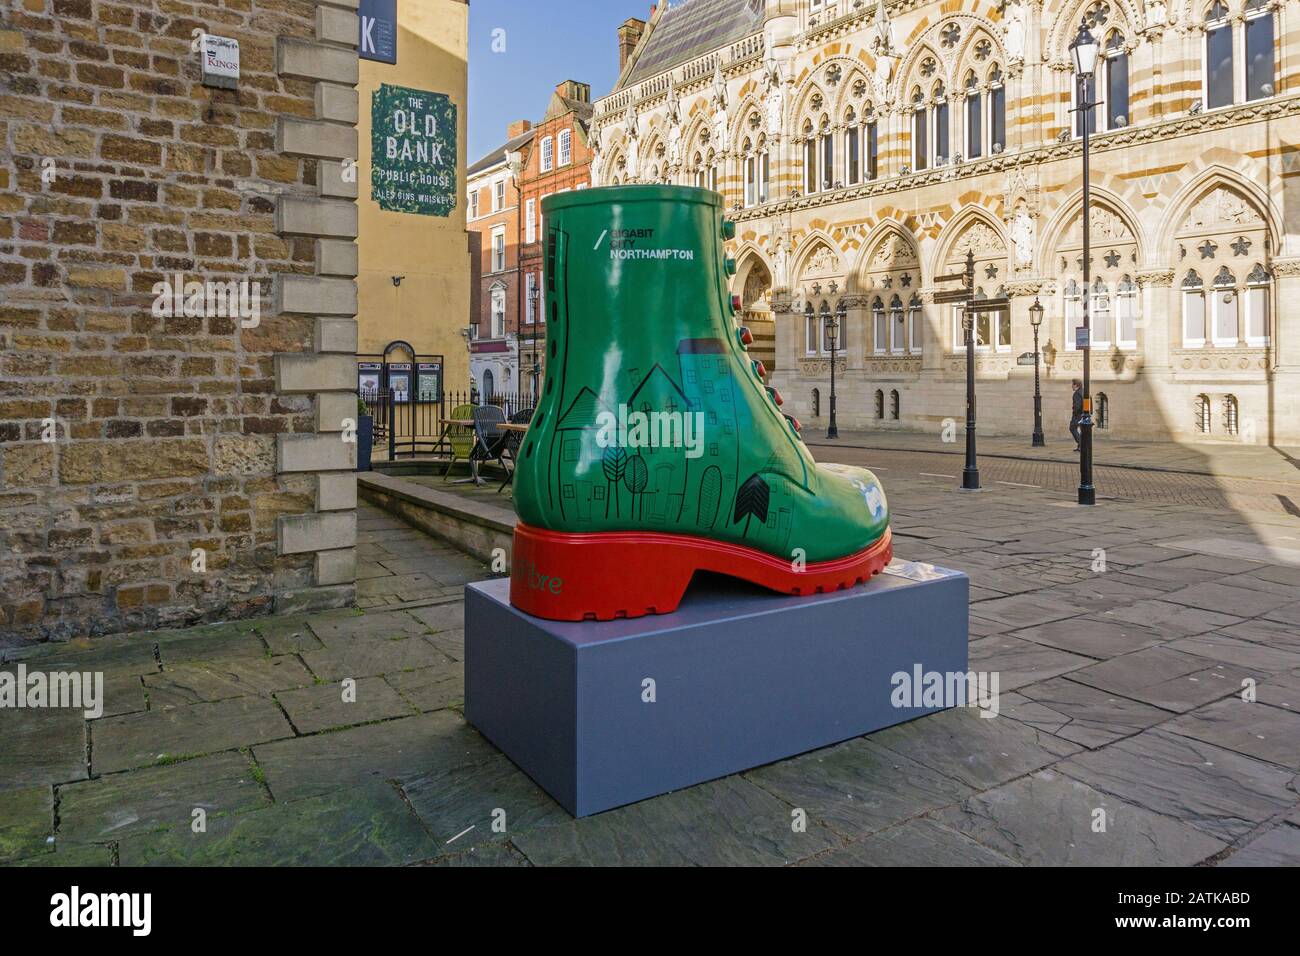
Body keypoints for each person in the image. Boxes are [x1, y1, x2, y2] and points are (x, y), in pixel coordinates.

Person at [1069, 379, 1084, 452]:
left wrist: (1075, 413)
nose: (1071, 386)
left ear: (1076, 385)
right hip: (1084, 414)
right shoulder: (1084, 391)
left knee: (1072, 428)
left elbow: (1077, 406)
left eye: (1072, 384)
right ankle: (1080, 447)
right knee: (1082, 430)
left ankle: (1081, 444)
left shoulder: (1077, 393)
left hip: (1078, 415)